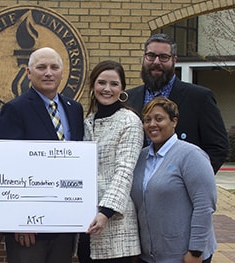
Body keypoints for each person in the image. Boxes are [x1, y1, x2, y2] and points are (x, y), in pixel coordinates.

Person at [0, 47, 84, 263]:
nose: (48, 73)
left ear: (62, 73)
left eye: (54, 67)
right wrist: (19, 221)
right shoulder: (14, 110)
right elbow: (9, 168)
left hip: (64, 220)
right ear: (28, 72)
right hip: (30, 227)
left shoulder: (74, 109)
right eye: (41, 67)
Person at [126, 33, 228, 173]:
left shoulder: (200, 98)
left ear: (174, 60)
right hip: (137, 188)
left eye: (163, 57)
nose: (156, 62)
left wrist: (193, 179)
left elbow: (218, 147)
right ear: (144, 58)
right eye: (151, 56)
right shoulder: (129, 98)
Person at [131, 97, 217, 263]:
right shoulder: (141, 157)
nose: (152, 124)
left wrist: (196, 251)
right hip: (149, 256)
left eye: (159, 118)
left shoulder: (191, 155)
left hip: (185, 256)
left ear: (174, 121)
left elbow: (204, 205)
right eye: (147, 120)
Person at [77, 60, 143, 263]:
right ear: (93, 86)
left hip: (115, 224)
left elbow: (125, 170)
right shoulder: (87, 122)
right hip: (86, 223)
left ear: (122, 88)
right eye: (101, 82)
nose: (107, 89)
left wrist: (105, 212)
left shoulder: (130, 121)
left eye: (114, 84)